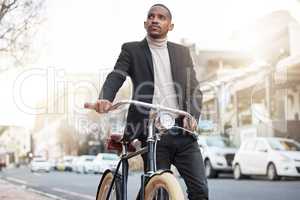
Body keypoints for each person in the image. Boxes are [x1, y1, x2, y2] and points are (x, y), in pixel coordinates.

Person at [85, 4, 208, 200]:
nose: (155, 20)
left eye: (161, 17)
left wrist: (192, 115)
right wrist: (105, 98)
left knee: (200, 191)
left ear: (170, 26)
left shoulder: (182, 52)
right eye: (151, 16)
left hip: (182, 132)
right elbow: (117, 75)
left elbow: (194, 90)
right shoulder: (131, 50)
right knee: (159, 190)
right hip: (150, 131)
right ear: (145, 23)